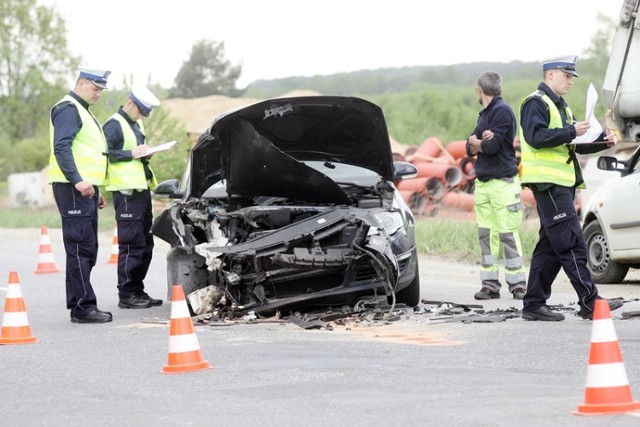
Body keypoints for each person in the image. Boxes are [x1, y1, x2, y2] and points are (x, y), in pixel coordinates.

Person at [518, 55, 622, 321]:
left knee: (550, 247)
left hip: (561, 184)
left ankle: (533, 304)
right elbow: (536, 137)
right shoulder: (535, 103)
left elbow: (573, 143)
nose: (570, 82)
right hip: (549, 185)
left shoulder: (561, 107)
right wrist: (571, 132)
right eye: (566, 76)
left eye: (572, 77)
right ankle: (590, 302)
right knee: (572, 242)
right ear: (550, 75)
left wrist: (602, 143)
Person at [48, 67, 113, 324]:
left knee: (86, 248)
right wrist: (77, 181)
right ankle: (84, 307)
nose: (98, 93)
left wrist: (94, 190)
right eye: (96, 88)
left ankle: (80, 304)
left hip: (82, 189)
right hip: (71, 187)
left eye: (101, 90)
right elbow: (61, 147)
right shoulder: (68, 108)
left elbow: (85, 152)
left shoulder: (81, 110)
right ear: (81, 83)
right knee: (80, 247)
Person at [466, 72, 526, 301]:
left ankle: (518, 284)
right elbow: (468, 147)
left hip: (503, 183)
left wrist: (478, 142)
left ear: (479, 89)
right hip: (484, 184)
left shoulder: (502, 111)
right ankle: (490, 285)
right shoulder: (484, 115)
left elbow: (490, 148)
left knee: (508, 233)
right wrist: (479, 141)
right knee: (486, 234)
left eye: (476, 89)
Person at [103, 85, 163, 309]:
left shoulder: (136, 124)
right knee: (131, 245)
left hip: (141, 190)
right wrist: (131, 153)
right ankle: (127, 295)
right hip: (126, 193)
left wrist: (145, 154)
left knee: (146, 244)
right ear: (130, 103)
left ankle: (138, 290)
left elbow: (137, 156)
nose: (141, 116)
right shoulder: (113, 124)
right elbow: (105, 154)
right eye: (140, 111)